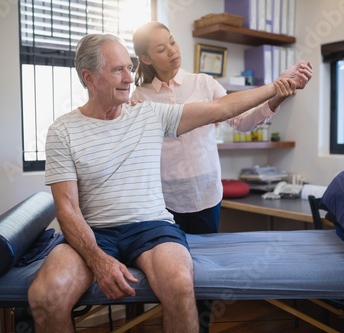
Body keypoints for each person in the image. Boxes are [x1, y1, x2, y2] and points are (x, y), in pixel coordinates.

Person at [27, 33, 298, 333]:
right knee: (45, 297)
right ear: (89, 78)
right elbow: (67, 210)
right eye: (118, 70)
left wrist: (276, 87)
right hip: (94, 232)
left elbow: (221, 109)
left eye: (129, 68)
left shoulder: (149, 114)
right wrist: (98, 260)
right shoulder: (62, 131)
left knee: (180, 285)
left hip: (150, 226)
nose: (129, 78)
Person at [131, 22, 313, 236]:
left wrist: (276, 99)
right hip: (166, 199)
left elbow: (242, 122)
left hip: (207, 194)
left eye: (172, 41)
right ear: (146, 58)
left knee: (208, 262)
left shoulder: (204, 84)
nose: (172, 51)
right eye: (161, 49)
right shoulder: (139, 98)